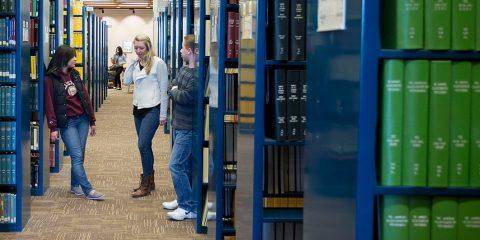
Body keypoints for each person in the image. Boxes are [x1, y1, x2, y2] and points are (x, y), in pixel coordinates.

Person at [44, 45, 104, 201]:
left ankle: (74, 185)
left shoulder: (75, 74)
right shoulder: (50, 79)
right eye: (74, 56)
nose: (76, 59)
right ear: (65, 58)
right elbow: (49, 104)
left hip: (82, 119)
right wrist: (53, 127)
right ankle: (88, 190)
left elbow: (84, 97)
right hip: (67, 123)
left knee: (80, 155)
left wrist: (92, 120)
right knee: (76, 155)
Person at [124, 34, 168, 198]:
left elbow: (164, 89)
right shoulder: (136, 63)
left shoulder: (158, 63)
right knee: (146, 146)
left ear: (148, 47)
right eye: (136, 48)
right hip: (138, 108)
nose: (138, 51)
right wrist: (131, 63)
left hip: (153, 108)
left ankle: (145, 183)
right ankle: (150, 181)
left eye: (141, 48)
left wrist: (163, 114)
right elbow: (127, 82)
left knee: (142, 144)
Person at [162, 34, 198, 221]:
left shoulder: (197, 74)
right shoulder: (184, 69)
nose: (180, 51)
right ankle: (185, 199)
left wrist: (176, 91)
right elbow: (173, 86)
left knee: (176, 166)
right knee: (185, 166)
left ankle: (187, 206)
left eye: (183, 48)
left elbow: (186, 97)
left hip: (189, 128)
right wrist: (176, 91)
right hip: (179, 124)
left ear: (190, 51)